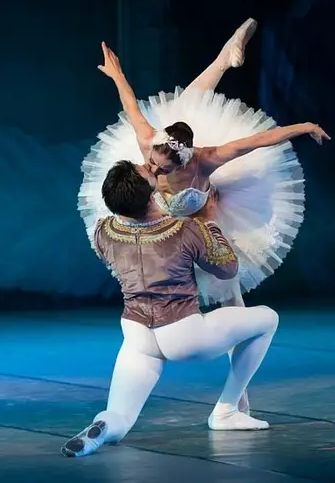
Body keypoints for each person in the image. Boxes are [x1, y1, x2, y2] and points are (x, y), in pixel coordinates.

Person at [79, 19, 330, 312]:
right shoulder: (148, 141)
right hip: (164, 229)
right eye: (152, 165)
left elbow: (258, 140)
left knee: (229, 293)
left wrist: (304, 125)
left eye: (163, 169)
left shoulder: (205, 161)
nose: (154, 173)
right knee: (188, 102)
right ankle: (225, 56)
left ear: (183, 162)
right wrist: (117, 74)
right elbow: (130, 105)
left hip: (202, 224)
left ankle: (237, 338)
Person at [62, 160, 280, 458]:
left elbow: (137, 222)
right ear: (150, 191)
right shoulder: (184, 230)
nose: (146, 165)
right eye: (145, 171)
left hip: (137, 335)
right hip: (184, 334)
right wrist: (210, 221)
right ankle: (227, 410)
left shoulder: (103, 231)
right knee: (268, 318)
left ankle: (102, 427)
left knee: (120, 417)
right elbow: (228, 269)